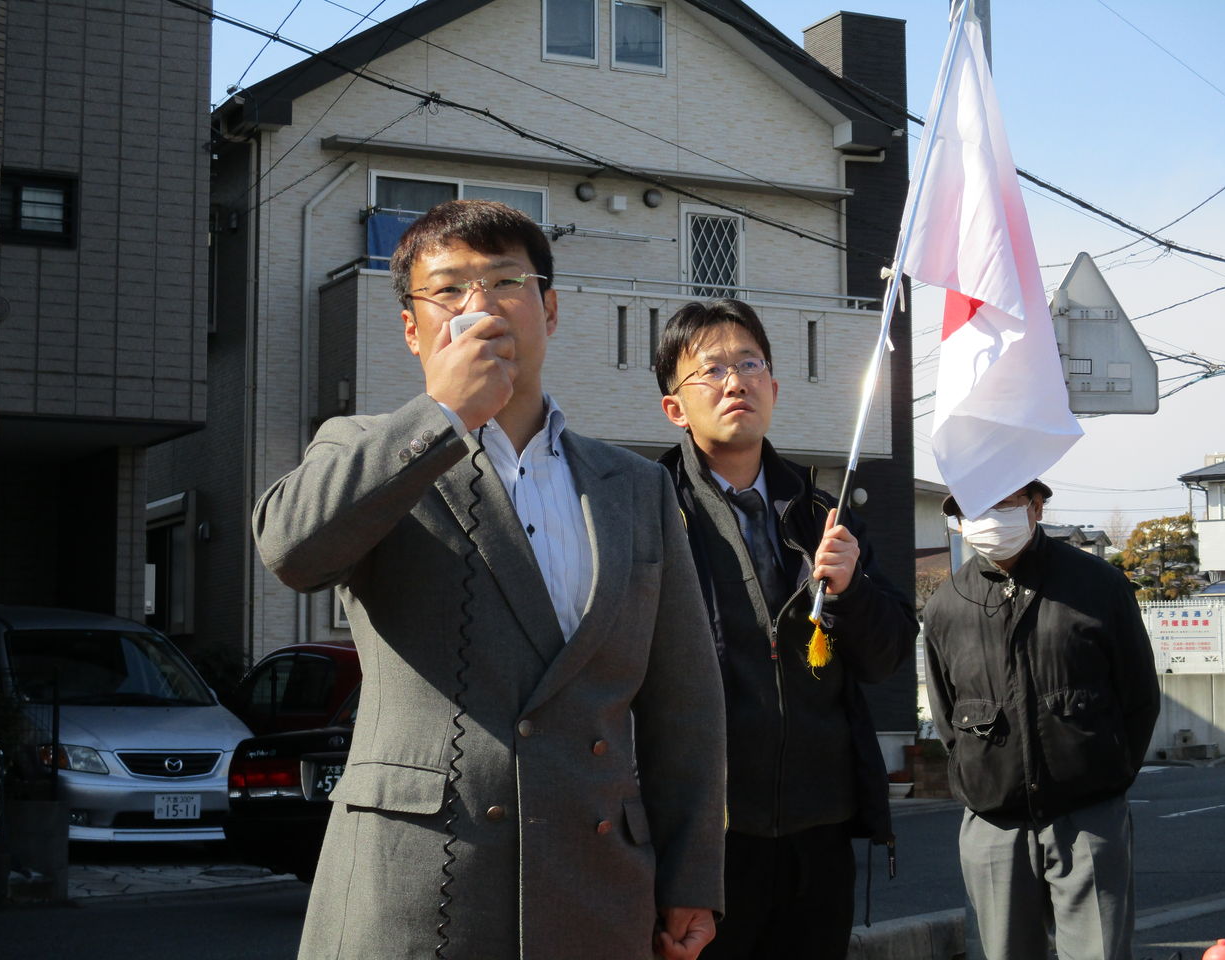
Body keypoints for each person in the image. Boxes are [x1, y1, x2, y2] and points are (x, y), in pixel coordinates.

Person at [253, 200, 726, 960]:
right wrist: (442, 413)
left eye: (507, 280)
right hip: (414, 886)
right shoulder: (361, 449)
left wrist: (692, 876)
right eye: (447, 289)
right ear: (412, 330)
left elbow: (686, 706)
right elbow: (291, 551)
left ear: (550, 309)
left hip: (599, 887)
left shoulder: (635, 488)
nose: (478, 305)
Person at [652, 299, 918, 959]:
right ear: (675, 408)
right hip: (702, 842)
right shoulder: (649, 509)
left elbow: (887, 657)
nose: (735, 381)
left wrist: (852, 589)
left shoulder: (822, 514)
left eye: (750, 364)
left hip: (818, 837)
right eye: (710, 370)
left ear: (774, 387)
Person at [923, 482, 1161, 960]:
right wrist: (980, 779)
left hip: (1088, 815)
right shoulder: (947, 605)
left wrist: (1107, 778)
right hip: (994, 824)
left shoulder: (1098, 585)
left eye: (1003, 501)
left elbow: (1139, 698)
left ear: (1036, 506)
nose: (987, 517)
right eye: (972, 508)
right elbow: (948, 719)